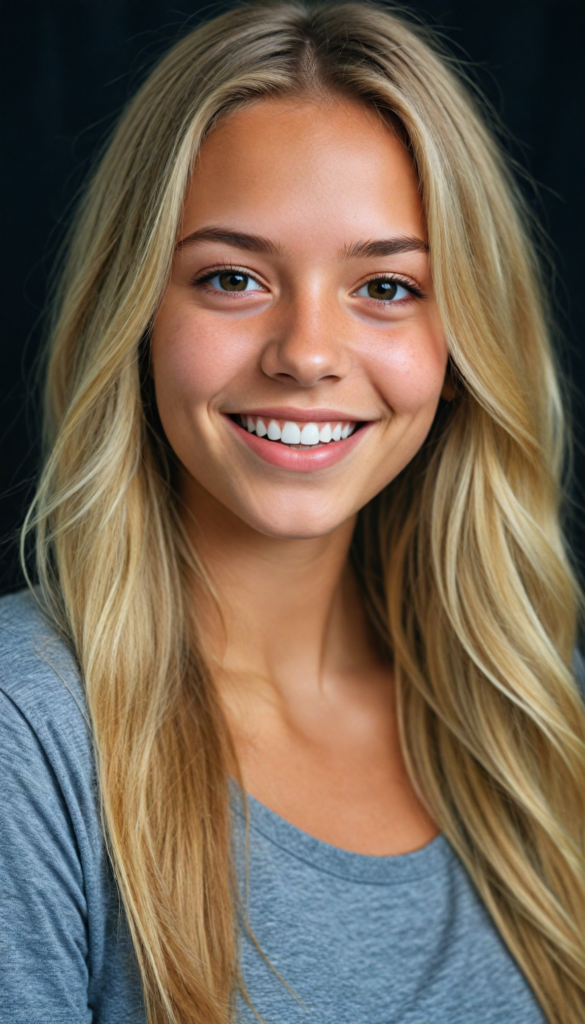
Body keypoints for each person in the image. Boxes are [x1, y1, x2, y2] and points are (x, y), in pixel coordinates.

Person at [1, 2, 584, 1022]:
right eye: (233, 278)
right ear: (135, 314)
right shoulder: (29, 728)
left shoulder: (543, 706)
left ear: (462, 350)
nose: (308, 353)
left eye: (387, 287)